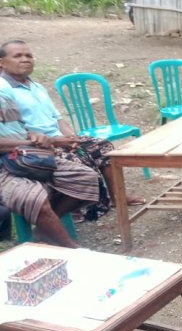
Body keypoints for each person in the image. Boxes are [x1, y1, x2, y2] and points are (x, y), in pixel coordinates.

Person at [0, 41, 145, 211]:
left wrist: (72, 138)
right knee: (79, 160)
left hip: (59, 138)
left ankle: (116, 196)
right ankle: (79, 207)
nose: (25, 59)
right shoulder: (5, 91)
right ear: (1, 62)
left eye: (28, 55)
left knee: (102, 146)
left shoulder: (36, 86)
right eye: (18, 56)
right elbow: (17, 130)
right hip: (39, 145)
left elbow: (58, 118)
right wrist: (56, 141)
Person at [0, 87, 99, 248]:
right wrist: (30, 142)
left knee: (85, 177)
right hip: (4, 167)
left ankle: (43, 231)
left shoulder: (4, 94)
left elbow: (20, 128)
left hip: (26, 156)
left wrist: (35, 136)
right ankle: (71, 248)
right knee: (34, 198)